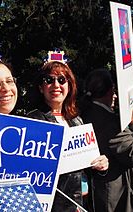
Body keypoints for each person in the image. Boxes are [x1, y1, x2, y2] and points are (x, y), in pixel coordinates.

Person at [27, 60, 108, 211]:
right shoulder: (33, 120)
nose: (56, 85)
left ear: (69, 86)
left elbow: (87, 167)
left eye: (62, 80)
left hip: (82, 203)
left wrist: (101, 166)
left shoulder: (77, 120)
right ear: (40, 87)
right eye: (49, 80)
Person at [80, 69, 133, 212]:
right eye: (113, 90)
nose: (115, 95)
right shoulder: (104, 120)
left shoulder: (93, 113)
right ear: (110, 90)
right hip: (118, 199)